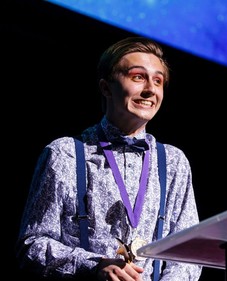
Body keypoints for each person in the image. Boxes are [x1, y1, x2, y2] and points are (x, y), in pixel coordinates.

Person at [15, 36, 202, 281]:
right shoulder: (65, 154)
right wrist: (93, 265)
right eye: (138, 77)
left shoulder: (174, 162)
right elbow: (32, 245)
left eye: (158, 81)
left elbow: (187, 253)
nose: (150, 89)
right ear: (106, 88)